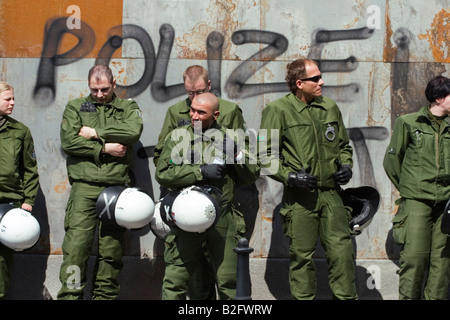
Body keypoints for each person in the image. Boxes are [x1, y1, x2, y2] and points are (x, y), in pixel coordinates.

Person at [259, 58, 357, 300]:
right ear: (300, 83)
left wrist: (346, 166)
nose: (322, 82)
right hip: (300, 199)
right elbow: (264, 155)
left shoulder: (330, 107)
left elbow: (344, 145)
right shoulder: (277, 110)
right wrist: (290, 177)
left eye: (320, 77)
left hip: (332, 195)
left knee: (342, 255)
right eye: (316, 78)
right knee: (302, 259)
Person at [153, 65, 247, 300]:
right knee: (177, 280)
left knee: (230, 281)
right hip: (185, 214)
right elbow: (163, 172)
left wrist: (237, 157)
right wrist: (200, 171)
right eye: (191, 109)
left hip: (221, 215)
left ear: (215, 114)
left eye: (200, 112)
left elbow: (251, 174)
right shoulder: (179, 135)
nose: (193, 115)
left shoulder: (230, 133)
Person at [58, 64, 143, 300]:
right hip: (84, 187)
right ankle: (70, 296)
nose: (99, 95)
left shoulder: (127, 107)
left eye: (104, 89)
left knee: (111, 251)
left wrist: (94, 133)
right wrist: (104, 148)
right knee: (76, 248)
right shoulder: (76, 107)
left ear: (114, 84)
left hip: (115, 189)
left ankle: (104, 297)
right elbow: (69, 142)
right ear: (88, 86)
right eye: (94, 90)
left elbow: (132, 132)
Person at [383, 75, 450, 300]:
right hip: (417, 202)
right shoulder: (409, 123)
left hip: (446, 204)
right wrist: (411, 188)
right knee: (414, 259)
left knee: (442, 263)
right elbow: (392, 162)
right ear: (439, 98)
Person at [0, 81, 40, 299]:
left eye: (13, 98)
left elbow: (30, 170)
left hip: (8, 206)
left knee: (2, 264)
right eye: (8, 99)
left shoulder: (20, 131)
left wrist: (28, 201)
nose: (13, 103)